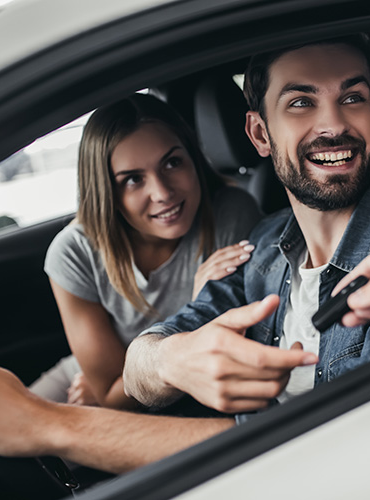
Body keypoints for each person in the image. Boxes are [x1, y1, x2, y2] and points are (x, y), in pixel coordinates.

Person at [0, 34, 370, 473]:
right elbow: (143, 359)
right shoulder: (265, 246)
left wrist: (50, 425)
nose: (333, 124)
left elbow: (338, 456)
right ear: (260, 135)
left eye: (353, 98)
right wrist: (172, 360)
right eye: (300, 103)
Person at [27, 94, 261, 409]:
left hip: (156, 387)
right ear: (106, 190)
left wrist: (118, 387)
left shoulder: (231, 214)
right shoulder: (74, 252)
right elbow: (110, 392)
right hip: (88, 374)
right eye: (134, 179)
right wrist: (199, 309)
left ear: (193, 159)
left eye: (172, 162)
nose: (162, 193)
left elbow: (232, 356)